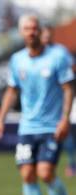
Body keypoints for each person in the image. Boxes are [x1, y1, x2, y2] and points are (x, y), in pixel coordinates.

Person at [0, 15, 76, 195]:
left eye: (34, 28)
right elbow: (12, 91)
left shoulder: (57, 57)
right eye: (26, 29)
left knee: (45, 173)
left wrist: (65, 119)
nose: (31, 32)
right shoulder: (17, 60)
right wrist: (0, 119)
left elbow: (68, 88)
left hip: (51, 126)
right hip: (27, 128)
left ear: (40, 32)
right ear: (21, 33)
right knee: (27, 174)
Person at [40, 24, 76, 177]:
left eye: (49, 35)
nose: (47, 38)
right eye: (44, 35)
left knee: (64, 132)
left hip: (60, 99)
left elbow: (72, 68)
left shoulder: (60, 52)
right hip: (43, 102)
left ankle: (72, 164)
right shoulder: (34, 54)